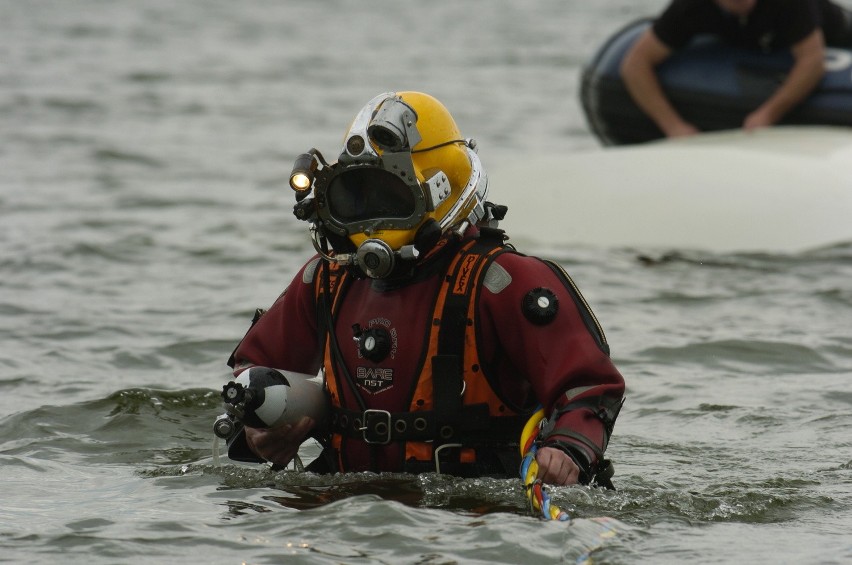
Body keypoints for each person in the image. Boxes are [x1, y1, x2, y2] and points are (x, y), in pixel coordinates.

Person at [221, 91, 626, 487]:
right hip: (344, 509)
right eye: (355, 197)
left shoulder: (502, 283)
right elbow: (252, 374)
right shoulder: (325, 279)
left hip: (473, 514)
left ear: (438, 191)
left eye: (388, 197)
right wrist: (259, 432)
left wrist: (567, 450)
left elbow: (589, 386)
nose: (370, 219)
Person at [620, 0, 852, 137]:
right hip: (752, 46)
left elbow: (812, 61)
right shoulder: (690, 8)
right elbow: (635, 64)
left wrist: (768, 113)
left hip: (837, 36)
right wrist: (673, 126)